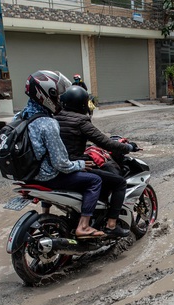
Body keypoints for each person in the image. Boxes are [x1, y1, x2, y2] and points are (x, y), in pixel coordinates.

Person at [20, 70, 105, 238]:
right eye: (56, 95)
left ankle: (46, 213)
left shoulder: (23, 116)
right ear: (46, 94)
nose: (59, 99)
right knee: (95, 180)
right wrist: (80, 164)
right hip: (47, 176)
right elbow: (61, 164)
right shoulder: (48, 123)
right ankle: (84, 226)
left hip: (30, 174)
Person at [55, 85, 141, 238]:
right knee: (119, 182)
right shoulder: (81, 120)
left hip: (57, 167)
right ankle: (111, 225)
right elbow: (105, 142)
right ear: (82, 104)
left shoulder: (55, 118)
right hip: (74, 167)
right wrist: (128, 147)